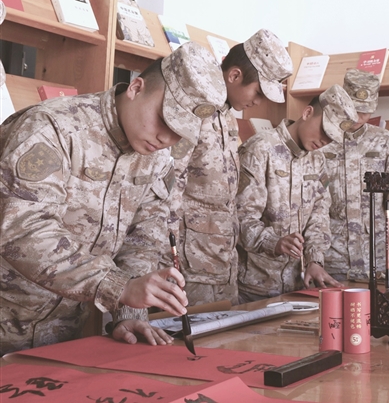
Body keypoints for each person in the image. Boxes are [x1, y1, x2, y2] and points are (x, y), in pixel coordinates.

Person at [0, 41, 227, 354]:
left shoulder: (158, 160)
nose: (167, 138)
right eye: (165, 119)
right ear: (136, 88)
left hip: (64, 334)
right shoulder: (53, 128)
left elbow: (143, 238)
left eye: (180, 132)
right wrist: (118, 286)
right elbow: (23, 229)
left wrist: (130, 312)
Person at [163, 29, 293, 307]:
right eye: (258, 92)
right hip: (190, 268)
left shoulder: (227, 117)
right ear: (234, 75)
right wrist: (169, 263)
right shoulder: (195, 110)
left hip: (222, 264)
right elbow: (169, 189)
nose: (258, 102)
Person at [236, 85, 358, 302]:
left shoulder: (317, 160)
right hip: (255, 286)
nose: (325, 141)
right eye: (324, 131)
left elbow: (319, 215)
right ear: (308, 112)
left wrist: (315, 260)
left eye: (332, 137)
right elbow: (239, 218)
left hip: (297, 286)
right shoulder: (260, 149)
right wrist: (274, 242)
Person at [322, 69, 389, 281]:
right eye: (354, 109)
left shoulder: (384, 141)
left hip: (376, 253)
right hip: (332, 254)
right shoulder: (321, 139)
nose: (358, 117)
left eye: (366, 111)